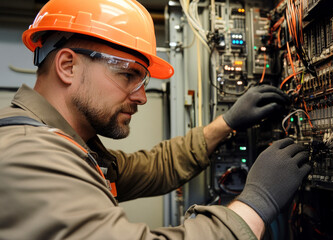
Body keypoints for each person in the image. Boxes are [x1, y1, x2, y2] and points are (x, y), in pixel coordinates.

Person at [0, 0, 310, 239]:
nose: (141, 97)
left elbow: (151, 168)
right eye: (127, 75)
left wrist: (225, 123)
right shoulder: (29, 155)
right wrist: (255, 205)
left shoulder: (68, 146)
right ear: (67, 65)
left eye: (143, 81)